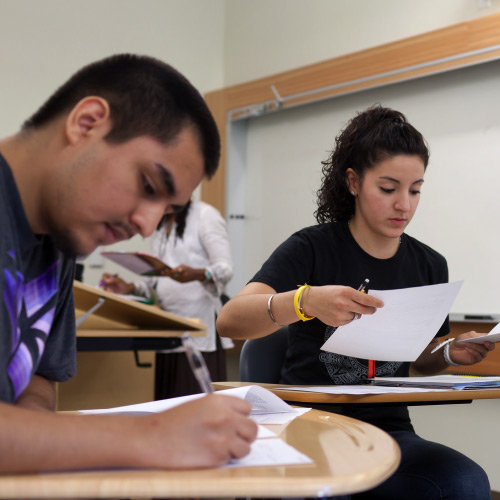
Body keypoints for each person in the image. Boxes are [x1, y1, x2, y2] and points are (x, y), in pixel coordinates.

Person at [217, 105, 494, 499]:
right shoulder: (311, 247)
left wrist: (449, 354)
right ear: (353, 182)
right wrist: (304, 301)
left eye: (415, 190)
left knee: (465, 482)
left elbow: (416, 362)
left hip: (388, 433)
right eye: (388, 188)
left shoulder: (430, 263)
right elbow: (229, 320)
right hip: (309, 429)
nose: (405, 205)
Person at [0, 53, 257, 473]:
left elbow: (38, 381)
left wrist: (33, 445)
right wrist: (148, 436)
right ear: (86, 124)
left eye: (167, 208)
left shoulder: (60, 242)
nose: (146, 223)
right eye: (147, 184)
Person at [101, 198, 234, 399]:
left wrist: (198, 273)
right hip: (166, 327)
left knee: (193, 405)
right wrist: (129, 287)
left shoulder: (206, 215)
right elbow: (158, 281)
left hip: (198, 329)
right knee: (167, 403)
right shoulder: (162, 223)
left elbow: (225, 269)